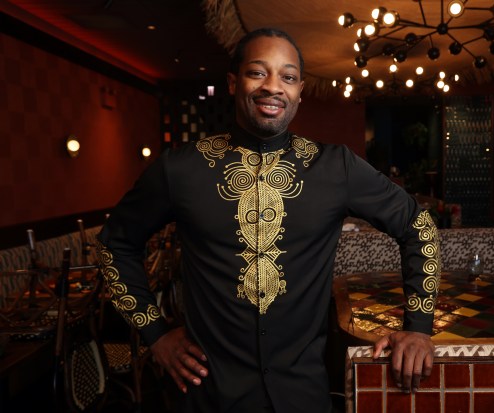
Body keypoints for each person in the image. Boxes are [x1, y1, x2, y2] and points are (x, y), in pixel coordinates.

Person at [97, 27, 439, 413]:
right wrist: (155, 333)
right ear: (232, 82)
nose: (273, 86)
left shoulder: (335, 166)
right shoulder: (180, 168)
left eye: (288, 77)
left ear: (299, 91)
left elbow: (417, 225)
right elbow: (114, 243)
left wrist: (418, 328)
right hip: (206, 394)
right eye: (257, 72)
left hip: (303, 394)